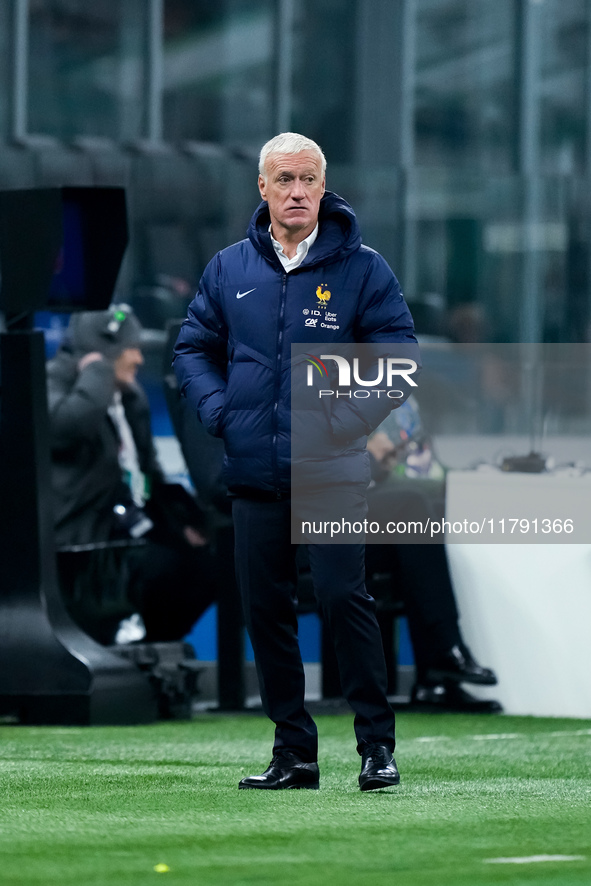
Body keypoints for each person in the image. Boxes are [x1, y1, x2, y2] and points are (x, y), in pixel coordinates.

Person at [174, 132, 419, 792]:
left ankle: (376, 747)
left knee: (345, 599)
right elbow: (191, 348)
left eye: (307, 179)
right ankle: (294, 753)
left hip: (331, 469)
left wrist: (340, 425)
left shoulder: (363, 269)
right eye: (283, 179)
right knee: (267, 612)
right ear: (262, 188)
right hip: (254, 470)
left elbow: (397, 360)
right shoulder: (229, 269)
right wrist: (221, 413)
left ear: (323, 185)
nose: (296, 192)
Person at [47, 304, 216, 645]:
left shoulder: (129, 401)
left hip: (126, 534)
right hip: (77, 549)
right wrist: (97, 371)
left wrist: (181, 524)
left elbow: (148, 476)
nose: (139, 359)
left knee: (208, 564)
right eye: (130, 349)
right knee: (165, 567)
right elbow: (64, 427)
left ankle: (152, 652)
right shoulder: (51, 382)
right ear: (104, 352)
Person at [365, 403, 501, 713]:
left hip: (361, 508)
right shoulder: (318, 381)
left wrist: (465, 480)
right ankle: (445, 650)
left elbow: (419, 469)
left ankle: (436, 680)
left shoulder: (399, 401)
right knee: (412, 506)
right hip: (317, 519)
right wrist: (367, 455)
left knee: (431, 512)